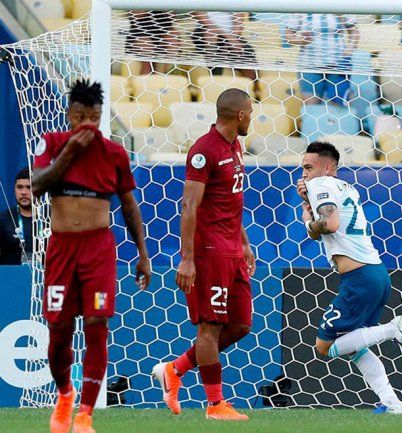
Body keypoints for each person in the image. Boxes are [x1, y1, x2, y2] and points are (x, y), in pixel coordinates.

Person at [31, 79, 151, 433]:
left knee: (98, 326)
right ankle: (65, 394)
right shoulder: (52, 143)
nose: (89, 125)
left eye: (95, 118)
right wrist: (68, 154)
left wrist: (143, 254)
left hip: (98, 249)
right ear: (70, 114)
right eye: (82, 117)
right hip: (62, 249)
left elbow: (129, 206)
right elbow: (37, 185)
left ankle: (85, 414)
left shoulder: (114, 153)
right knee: (59, 331)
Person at [296, 142, 402, 415]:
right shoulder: (346, 188)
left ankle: (392, 331)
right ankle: (392, 404)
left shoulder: (321, 184)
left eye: (308, 167)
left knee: (325, 346)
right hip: (376, 274)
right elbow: (322, 229)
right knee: (354, 346)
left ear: (327, 168)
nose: (303, 173)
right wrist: (308, 207)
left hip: (359, 278)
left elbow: (329, 225)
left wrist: (308, 217)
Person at [152, 89, 255, 421]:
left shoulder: (234, 146)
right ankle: (215, 405)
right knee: (209, 327)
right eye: (250, 111)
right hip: (209, 252)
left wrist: (243, 242)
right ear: (239, 115)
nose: (252, 116)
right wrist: (187, 258)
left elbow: (229, 202)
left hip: (232, 250)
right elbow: (189, 206)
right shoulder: (204, 151)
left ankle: (175, 369)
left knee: (239, 325)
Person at [285, 14, 359, 106]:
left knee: (339, 107)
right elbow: (289, 35)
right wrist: (301, 40)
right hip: (309, 65)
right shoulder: (300, 5)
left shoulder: (342, 3)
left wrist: (350, 49)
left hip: (338, 64)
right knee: (311, 107)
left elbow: (354, 30)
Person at [192, 12, 257, 81]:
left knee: (246, 51)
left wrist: (232, 38)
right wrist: (229, 38)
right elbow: (203, 19)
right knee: (211, 37)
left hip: (233, 34)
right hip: (206, 32)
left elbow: (239, 19)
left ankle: (253, 87)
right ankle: (215, 82)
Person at [126, 10, 180, 75]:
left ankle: (164, 75)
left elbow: (171, 15)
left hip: (163, 30)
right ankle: (146, 78)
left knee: (173, 38)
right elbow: (136, 14)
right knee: (145, 44)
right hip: (140, 31)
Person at [0, 169, 33, 264]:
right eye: (19, 187)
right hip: (11, 277)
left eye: (29, 187)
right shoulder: (3, 219)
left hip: (42, 277)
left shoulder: (49, 219)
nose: (24, 192)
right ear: (14, 189)